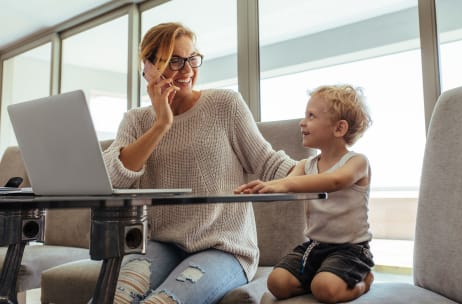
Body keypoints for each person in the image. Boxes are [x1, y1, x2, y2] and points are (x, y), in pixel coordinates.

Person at [101, 22, 296, 304]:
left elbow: (267, 161)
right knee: (112, 299)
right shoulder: (136, 120)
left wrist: (325, 172)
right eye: (175, 61)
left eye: (192, 58)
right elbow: (114, 179)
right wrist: (161, 124)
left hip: (225, 248)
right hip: (161, 244)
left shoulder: (225, 105)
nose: (188, 70)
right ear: (150, 66)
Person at [235, 84, 375, 303]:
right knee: (277, 283)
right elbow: (286, 182)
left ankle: (361, 283)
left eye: (311, 116)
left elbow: (334, 181)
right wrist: (262, 186)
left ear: (339, 128)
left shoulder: (357, 162)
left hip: (350, 250)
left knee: (325, 289)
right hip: (315, 246)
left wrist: (285, 185)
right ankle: (319, 276)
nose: (302, 122)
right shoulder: (306, 165)